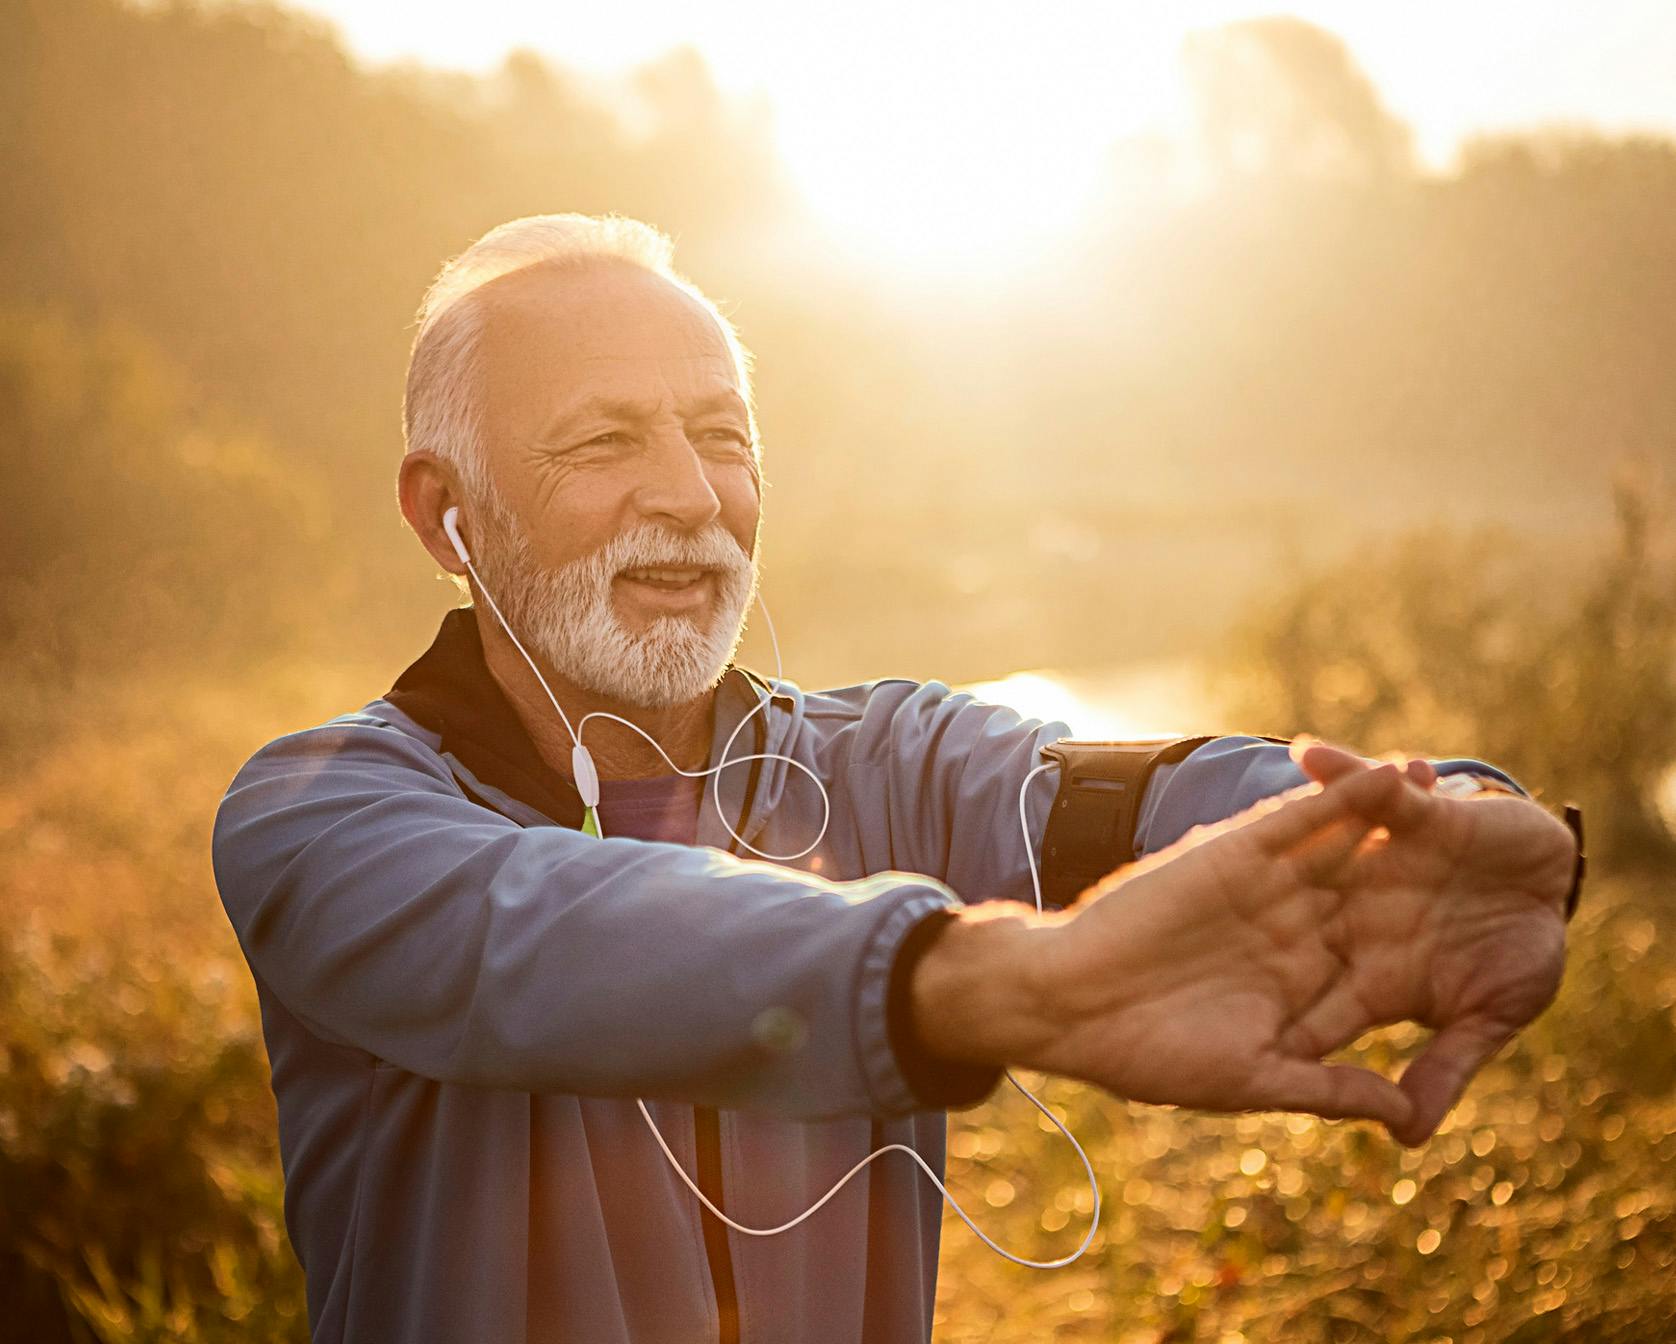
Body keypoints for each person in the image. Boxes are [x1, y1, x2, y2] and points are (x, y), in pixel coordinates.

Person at [211, 213, 1579, 1344]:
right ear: (444, 513)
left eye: (725, 435)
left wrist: (1444, 824)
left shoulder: (887, 761)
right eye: (605, 441)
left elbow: (1136, 793)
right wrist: (989, 983)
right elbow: (540, 937)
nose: (691, 492)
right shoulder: (318, 815)